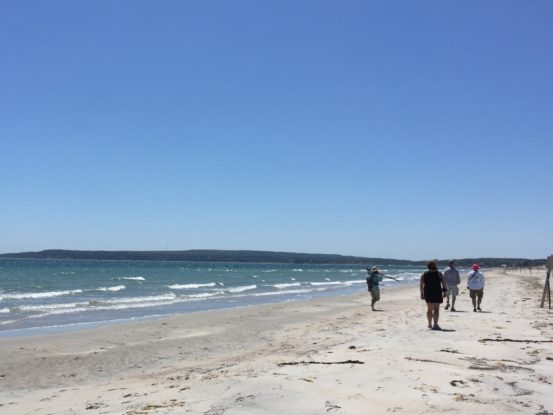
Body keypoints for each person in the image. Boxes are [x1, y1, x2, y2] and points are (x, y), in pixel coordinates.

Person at [420, 260, 447, 330]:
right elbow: (444, 284)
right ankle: (435, 325)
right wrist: (445, 292)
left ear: (428, 267)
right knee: (436, 310)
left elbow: (421, 285)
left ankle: (429, 324)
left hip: (428, 293)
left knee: (429, 309)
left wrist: (422, 294)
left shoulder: (424, 274)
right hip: (437, 292)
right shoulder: (440, 274)